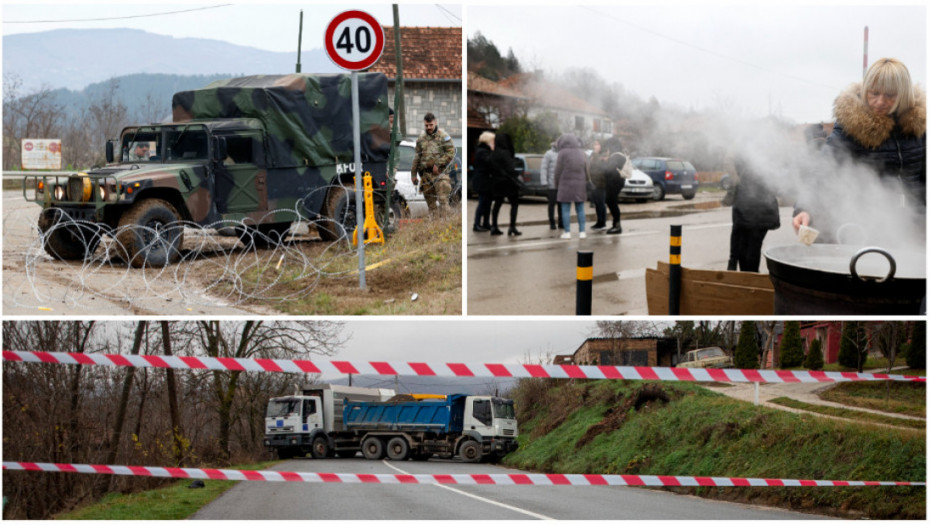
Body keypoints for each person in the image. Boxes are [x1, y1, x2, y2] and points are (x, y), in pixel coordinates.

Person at [793, 58, 926, 238]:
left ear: (903, 95)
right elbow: (824, 168)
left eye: (890, 95)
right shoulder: (851, 125)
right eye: (874, 93)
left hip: (913, 227)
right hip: (866, 226)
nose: (880, 101)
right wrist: (805, 208)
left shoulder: (920, 126)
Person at [723, 152, 780, 272]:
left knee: (750, 250)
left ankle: (751, 280)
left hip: (756, 208)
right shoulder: (756, 155)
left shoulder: (755, 157)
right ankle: (750, 279)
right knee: (748, 249)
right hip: (753, 207)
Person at [410, 112, 456, 216]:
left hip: (440, 174)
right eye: (426, 125)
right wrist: (413, 174)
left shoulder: (443, 136)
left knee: (443, 202)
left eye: (431, 125)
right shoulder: (421, 139)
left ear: (435, 123)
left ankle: (447, 226)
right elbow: (417, 157)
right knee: (431, 205)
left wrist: (438, 164)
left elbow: (451, 152)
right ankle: (436, 226)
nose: (429, 127)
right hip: (426, 175)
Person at [554, 133, 589, 239]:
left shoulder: (562, 152)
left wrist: (556, 184)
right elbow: (587, 168)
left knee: (565, 209)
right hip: (580, 184)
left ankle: (567, 232)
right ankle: (582, 232)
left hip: (565, 184)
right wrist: (586, 181)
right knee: (580, 209)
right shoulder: (581, 152)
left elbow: (557, 171)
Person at [488, 133, 521, 236]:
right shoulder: (506, 153)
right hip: (508, 182)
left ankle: (494, 226)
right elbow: (510, 168)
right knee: (514, 204)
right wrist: (516, 175)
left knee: (497, 204)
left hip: (496, 182)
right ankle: (512, 227)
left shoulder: (493, 153)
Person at [600, 137, 628, 234]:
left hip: (614, 183)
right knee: (612, 202)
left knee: (611, 202)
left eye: (608, 147)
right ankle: (616, 224)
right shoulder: (620, 155)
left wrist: (604, 164)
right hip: (617, 182)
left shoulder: (615, 156)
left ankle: (617, 226)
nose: (607, 149)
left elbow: (609, 170)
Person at [471, 131, 494, 232]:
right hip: (482, 181)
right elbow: (489, 162)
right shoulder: (482, 151)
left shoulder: (484, 151)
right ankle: (476, 224)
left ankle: (486, 223)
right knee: (482, 202)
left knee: (488, 203)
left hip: (486, 181)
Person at [540, 141, 563, 230]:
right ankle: (552, 222)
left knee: (561, 204)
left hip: (561, 185)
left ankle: (561, 223)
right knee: (552, 204)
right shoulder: (548, 154)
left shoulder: (563, 154)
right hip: (551, 185)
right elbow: (544, 168)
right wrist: (544, 182)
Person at [587, 140, 608, 230]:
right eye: (594, 144)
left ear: (600, 146)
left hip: (601, 183)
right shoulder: (592, 155)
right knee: (597, 203)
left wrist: (594, 156)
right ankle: (598, 221)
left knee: (601, 203)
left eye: (597, 144)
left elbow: (600, 166)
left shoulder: (604, 155)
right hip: (594, 182)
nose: (595, 146)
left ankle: (602, 223)